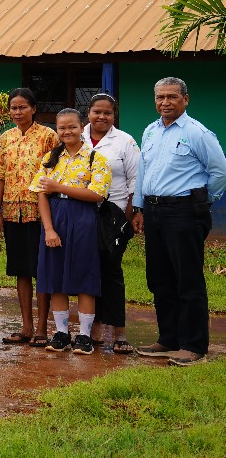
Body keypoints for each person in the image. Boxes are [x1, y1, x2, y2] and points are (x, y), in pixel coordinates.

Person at [133, 77, 226, 366]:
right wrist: (138, 207)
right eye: (160, 97)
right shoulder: (150, 131)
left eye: (172, 97)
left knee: (188, 280)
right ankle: (168, 339)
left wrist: (200, 203)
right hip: (155, 211)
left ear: (186, 99)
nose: (165, 102)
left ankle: (193, 345)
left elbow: (220, 171)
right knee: (159, 279)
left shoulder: (197, 133)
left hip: (184, 212)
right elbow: (142, 170)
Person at [33, 108, 111, 355]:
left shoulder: (95, 159)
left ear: (82, 127)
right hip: (55, 218)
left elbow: (97, 194)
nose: (67, 132)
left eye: (72, 127)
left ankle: (85, 336)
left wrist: (59, 186)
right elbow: (41, 195)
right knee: (56, 277)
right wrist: (48, 229)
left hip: (84, 218)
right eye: (62, 128)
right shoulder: (50, 159)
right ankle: (61, 333)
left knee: (84, 276)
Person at [0, 88, 58, 347]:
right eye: (14, 107)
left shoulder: (48, 136)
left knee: (41, 269)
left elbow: (57, 174)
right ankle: (26, 327)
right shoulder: (5, 138)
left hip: (39, 213)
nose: (17, 112)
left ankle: (42, 328)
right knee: (21, 270)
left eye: (22, 107)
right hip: (11, 212)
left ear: (33, 108)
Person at [81, 93, 141, 353]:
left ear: (114, 115)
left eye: (107, 113)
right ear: (88, 113)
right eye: (97, 112)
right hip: (81, 214)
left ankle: (119, 332)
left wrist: (131, 215)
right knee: (89, 272)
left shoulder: (125, 142)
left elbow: (135, 181)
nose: (101, 117)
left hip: (114, 215)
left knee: (112, 272)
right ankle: (93, 328)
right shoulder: (77, 136)